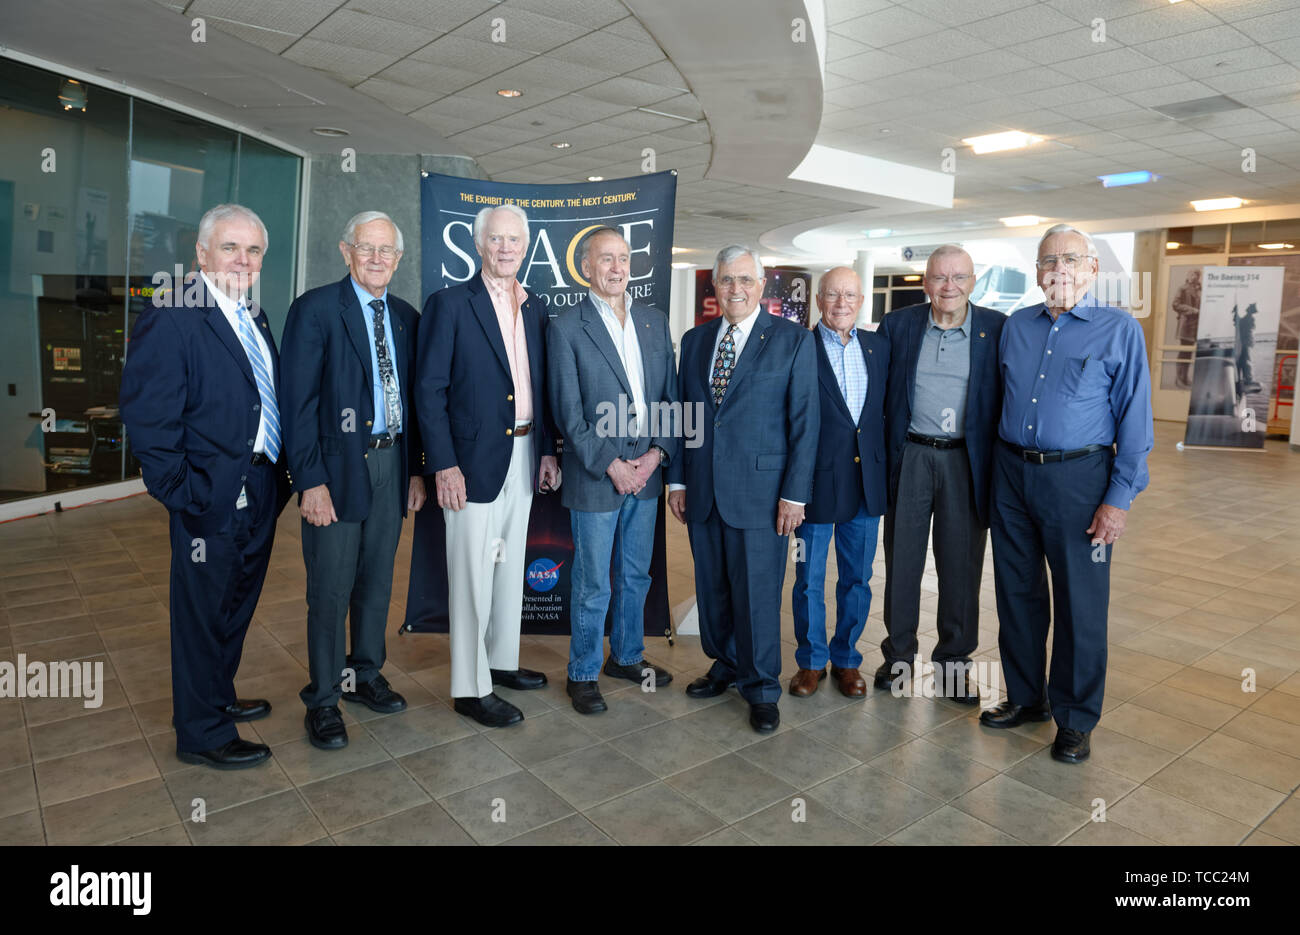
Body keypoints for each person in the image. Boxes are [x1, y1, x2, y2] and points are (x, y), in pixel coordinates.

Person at [120, 203, 290, 769]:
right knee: (201, 612)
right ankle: (201, 732)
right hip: (208, 497)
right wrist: (184, 492)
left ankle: (216, 696)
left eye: (254, 251)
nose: (243, 260)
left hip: (260, 486)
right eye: (230, 248)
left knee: (236, 602)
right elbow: (149, 420)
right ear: (201, 254)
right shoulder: (172, 315)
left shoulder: (252, 312)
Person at [982, 224, 1153, 764]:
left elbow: (1135, 421)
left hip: (1081, 481)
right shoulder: (1016, 327)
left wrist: (1119, 499)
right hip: (1012, 474)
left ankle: (1075, 718)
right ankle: (1027, 699)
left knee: (1080, 604)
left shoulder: (1118, 330)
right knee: (1017, 593)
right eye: (1049, 260)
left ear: (1093, 269)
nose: (1059, 268)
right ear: (1036, 272)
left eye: (1072, 259)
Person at [281, 211, 425, 750]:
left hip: (391, 464)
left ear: (399, 258)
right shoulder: (316, 310)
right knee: (330, 588)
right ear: (346, 251)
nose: (377, 259)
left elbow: (414, 401)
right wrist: (309, 482)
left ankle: (364, 674)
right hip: (336, 470)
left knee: (377, 581)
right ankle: (322, 698)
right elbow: (297, 405)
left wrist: (414, 468)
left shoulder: (407, 317)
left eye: (387, 251)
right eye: (367, 248)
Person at [416, 204, 561, 728]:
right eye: (495, 239)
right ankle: (469, 687)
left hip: (523, 454)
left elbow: (539, 386)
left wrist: (545, 448)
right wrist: (444, 464)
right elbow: (428, 391)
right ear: (479, 246)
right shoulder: (450, 304)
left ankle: (500, 662)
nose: (505, 248)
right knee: (472, 576)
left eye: (514, 240)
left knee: (507, 567)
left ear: (525, 247)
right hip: (470, 463)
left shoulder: (536, 307)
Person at [667, 245, 819, 734]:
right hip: (704, 489)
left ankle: (761, 687)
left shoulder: (792, 340)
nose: (735, 289)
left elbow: (804, 422)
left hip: (763, 492)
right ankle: (725, 664)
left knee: (756, 592)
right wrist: (678, 478)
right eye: (726, 281)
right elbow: (686, 416)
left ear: (761, 286)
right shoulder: (694, 341)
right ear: (715, 286)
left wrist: (794, 495)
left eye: (745, 280)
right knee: (712, 586)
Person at [547, 228, 679, 714]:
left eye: (623, 258)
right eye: (606, 259)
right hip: (596, 476)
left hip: (646, 475)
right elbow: (568, 413)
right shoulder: (566, 327)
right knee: (592, 581)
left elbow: (668, 398)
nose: (617, 268)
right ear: (586, 267)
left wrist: (655, 455)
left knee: (635, 574)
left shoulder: (653, 321)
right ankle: (582, 671)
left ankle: (626, 656)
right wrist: (613, 465)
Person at [874, 245, 1004, 703]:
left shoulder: (996, 328)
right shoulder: (898, 326)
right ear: (926, 282)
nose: (949, 286)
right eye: (940, 277)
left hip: (965, 462)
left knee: (960, 568)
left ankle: (953, 667)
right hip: (910, 456)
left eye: (959, 277)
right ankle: (898, 658)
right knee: (902, 564)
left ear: (973, 281)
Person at [788, 267, 888, 699]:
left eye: (850, 294)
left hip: (865, 485)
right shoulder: (798, 348)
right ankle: (810, 662)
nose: (842, 303)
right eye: (833, 295)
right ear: (818, 301)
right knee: (808, 579)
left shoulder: (878, 347)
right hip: (811, 489)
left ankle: (846, 659)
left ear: (861, 299)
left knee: (858, 579)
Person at [1171, 269, 1200, 389]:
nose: (1194, 277)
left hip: (1195, 325)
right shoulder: (1182, 289)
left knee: (1188, 353)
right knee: (1183, 352)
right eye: (1192, 274)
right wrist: (1192, 310)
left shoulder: (1200, 290)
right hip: (1186, 325)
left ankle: (1185, 378)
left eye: (1197, 275)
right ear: (1188, 276)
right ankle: (1179, 379)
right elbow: (1175, 304)